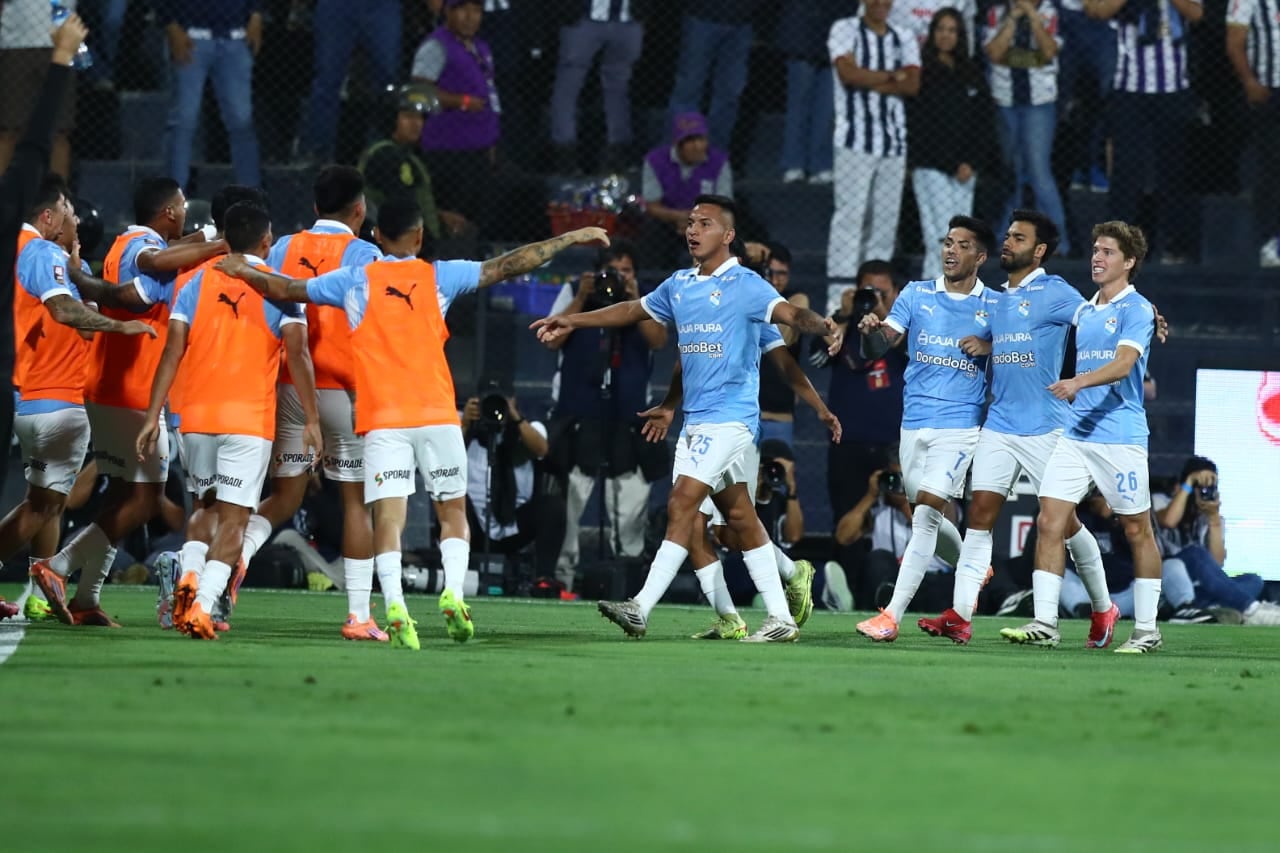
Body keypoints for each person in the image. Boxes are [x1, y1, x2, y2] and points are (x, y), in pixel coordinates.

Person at [219, 198, 611, 647]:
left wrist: (245, 271)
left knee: (388, 516)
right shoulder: (438, 275)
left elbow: (287, 289)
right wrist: (571, 238)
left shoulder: (355, 278)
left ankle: (394, 606)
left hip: (383, 419)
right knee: (453, 511)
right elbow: (508, 264)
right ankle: (451, 593)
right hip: (438, 415)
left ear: (377, 237)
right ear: (420, 237)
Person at [533, 195, 841, 642]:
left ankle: (640, 607)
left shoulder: (749, 287)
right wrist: (573, 321)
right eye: (691, 222)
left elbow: (791, 319)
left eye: (706, 223)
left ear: (728, 235)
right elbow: (636, 314)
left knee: (682, 505)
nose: (693, 230)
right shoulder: (679, 286)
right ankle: (775, 617)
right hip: (695, 423)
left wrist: (824, 328)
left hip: (732, 422)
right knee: (732, 519)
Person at [916, 210, 1115, 646]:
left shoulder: (1056, 291)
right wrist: (987, 344)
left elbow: (1098, 321)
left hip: (1046, 428)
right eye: (1007, 235)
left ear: (1038, 250)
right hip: (1000, 425)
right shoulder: (997, 298)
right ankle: (960, 615)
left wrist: (1141, 317)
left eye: (1018, 238)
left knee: (1064, 525)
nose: (1007, 243)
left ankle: (1104, 607)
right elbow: (1006, 336)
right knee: (980, 516)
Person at [34, 178, 225, 626]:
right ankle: (57, 566)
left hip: (104, 387)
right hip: (134, 394)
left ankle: (86, 597)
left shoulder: (120, 242)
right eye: (180, 204)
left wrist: (208, 238)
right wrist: (214, 243)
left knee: (121, 493)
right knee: (146, 500)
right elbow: (154, 262)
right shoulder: (144, 246)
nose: (183, 211)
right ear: (169, 212)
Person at [132, 202, 317, 640]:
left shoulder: (194, 283)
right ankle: (203, 603)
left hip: (195, 419)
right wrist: (312, 418)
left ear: (225, 239)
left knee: (204, 512)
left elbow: (172, 351)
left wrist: (152, 415)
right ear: (267, 242)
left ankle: (189, 580)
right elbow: (298, 353)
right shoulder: (277, 288)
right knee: (234, 521)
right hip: (248, 421)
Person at [638, 319, 842, 638]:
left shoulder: (749, 301)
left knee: (731, 533)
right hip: (696, 427)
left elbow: (789, 346)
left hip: (736, 429)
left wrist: (823, 329)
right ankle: (730, 617)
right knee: (690, 523)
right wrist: (670, 406)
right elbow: (682, 362)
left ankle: (791, 573)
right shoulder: (692, 296)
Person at [244, 165, 380, 640]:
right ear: (359, 210)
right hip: (343, 389)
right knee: (356, 502)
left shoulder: (282, 247)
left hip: (289, 387)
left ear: (316, 207)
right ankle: (359, 616)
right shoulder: (366, 254)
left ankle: (232, 566)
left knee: (283, 497)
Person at [14, 179, 158, 624]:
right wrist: (123, 327)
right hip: (54, 394)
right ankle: (50, 576)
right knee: (43, 504)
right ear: (48, 218)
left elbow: (75, 320)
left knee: (47, 502)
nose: (74, 217)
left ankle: (43, 592)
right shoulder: (40, 252)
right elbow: (68, 313)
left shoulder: (34, 253)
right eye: (68, 209)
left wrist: (76, 273)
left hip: (39, 393)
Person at [1015, 220, 1163, 653]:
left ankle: (1148, 630)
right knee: (1048, 520)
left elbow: (1122, 365)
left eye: (1108, 252)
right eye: (1095, 250)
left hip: (1120, 436)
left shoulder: (1137, 309)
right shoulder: (1086, 309)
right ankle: (1045, 622)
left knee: (1137, 530)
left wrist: (1078, 382)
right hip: (1076, 434)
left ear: (1129, 262)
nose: (1097, 258)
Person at [854, 215, 999, 642]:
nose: (951, 250)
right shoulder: (916, 295)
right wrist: (870, 333)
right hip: (913, 425)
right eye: (947, 242)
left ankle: (891, 616)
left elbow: (1025, 346)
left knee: (925, 512)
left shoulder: (995, 305)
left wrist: (991, 344)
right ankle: (973, 564)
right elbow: (884, 344)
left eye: (962, 244)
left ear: (980, 256)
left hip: (960, 426)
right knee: (925, 511)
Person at [0, 15, 87, 519]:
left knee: (46, 501)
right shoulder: (23, 229)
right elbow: (34, 144)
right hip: (20, 384)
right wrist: (61, 59)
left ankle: (38, 588)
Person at [543, 239, 666, 594]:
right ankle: (560, 583)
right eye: (611, 271)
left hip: (628, 421)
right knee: (568, 508)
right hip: (577, 418)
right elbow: (551, 339)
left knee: (629, 514)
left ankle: (627, 588)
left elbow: (658, 340)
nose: (617, 277)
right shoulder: (573, 292)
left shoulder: (647, 300)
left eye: (626, 271)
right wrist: (581, 297)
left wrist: (635, 296)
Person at [1087, 0, 1202, 264]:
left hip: (1173, 87)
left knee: (1172, 169)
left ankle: (1175, 245)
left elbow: (1199, 14)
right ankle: (1118, 246)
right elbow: (1095, 10)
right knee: (1126, 169)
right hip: (1129, 87)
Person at [826, 0, 921, 316]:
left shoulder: (904, 35)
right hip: (855, 139)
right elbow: (847, 74)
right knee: (850, 217)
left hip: (894, 141)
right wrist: (893, 76)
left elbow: (913, 84)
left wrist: (869, 75)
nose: (881, 3)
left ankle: (876, 300)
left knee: (884, 223)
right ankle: (837, 299)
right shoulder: (844, 29)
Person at [909, 8, 992, 281]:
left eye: (952, 30)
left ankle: (953, 293)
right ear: (932, 34)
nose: (946, 35)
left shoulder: (971, 73)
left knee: (961, 238)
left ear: (960, 35)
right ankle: (931, 294)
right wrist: (951, 163)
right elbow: (921, 126)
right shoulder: (921, 72)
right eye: (941, 29)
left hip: (965, 169)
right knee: (939, 236)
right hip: (931, 165)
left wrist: (970, 162)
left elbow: (982, 122)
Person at [983, 0, 1070, 257]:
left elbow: (1049, 50)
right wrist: (1012, 19)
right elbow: (995, 52)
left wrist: (1031, 15)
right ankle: (1008, 238)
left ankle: (1058, 240)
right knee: (1013, 172)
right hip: (1005, 101)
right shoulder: (995, 13)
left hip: (1039, 103)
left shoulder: (1050, 13)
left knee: (1038, 171)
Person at [1153, 456, 1280, 625]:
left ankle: (1208, 610)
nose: (1206, 491)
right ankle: (1251, 609)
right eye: (1201, 486)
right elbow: (1168, 521)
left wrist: (1213, 519)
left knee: (1253, 581)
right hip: (1167, 580)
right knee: (1194, 553)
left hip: (1200, 588)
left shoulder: (1212, 518)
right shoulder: (1161, 501)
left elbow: (1216, 563)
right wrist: (1190, 482)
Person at [411, 0, 499, 230]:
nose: (470, 17)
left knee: (474, 224)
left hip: (478, 151)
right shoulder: (436, 46)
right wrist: (462, 101)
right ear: (448, 12)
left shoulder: (481, 47)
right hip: (448, 152)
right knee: (452, 224)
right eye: (463, 9)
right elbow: (419, 91)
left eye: (476, 10)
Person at [160, 0, 263, 190]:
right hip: (190, 36)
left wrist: (256, 14)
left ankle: (252, 199)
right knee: (184, 120)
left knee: (242, 121)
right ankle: (172, 199)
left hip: (236, 37)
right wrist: (171, 25)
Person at [357, 86, 472, 251]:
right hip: (397, 253)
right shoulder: (387, 156)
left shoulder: (399, 153)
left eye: (420, 117)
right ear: (390, 118)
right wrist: (427, 250)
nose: (417, 123)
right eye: (408, 116)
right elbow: (402, 211)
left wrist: (438, 215)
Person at [301, 0, 403, 163]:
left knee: (388, 80)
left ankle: (385, 152)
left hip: (382, 6)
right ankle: (317, 154)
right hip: (338, 5)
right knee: (327, 80)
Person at [548, 0, 644, 173]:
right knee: (569, 87)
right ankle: (565, 156)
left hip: (627, 19)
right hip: (584, 18)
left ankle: (616, 153)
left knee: (618, 88)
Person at [460, 390, 550, 561]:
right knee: (453, 500)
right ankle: (455, 571)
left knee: (552, 507)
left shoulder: (526, 427)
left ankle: (544, 579)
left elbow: (541, 449)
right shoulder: (464, 426)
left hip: (514, 526)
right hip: (472, 527)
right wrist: (465, 424)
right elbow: (444, 458)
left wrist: (514, 415)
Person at [638, 111, 732, 270]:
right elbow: (652, 205)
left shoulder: (719, 161)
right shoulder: (654, 160)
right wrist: (680, 218)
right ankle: (653, 282)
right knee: (651, 230)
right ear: (677, 143)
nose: (697, 146)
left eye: (701, 139)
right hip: (669, 222)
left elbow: (724, 205)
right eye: (690, 140)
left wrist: (695, 221)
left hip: (707, 221)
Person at [1226, 0, 1280, 268]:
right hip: (1269, 91)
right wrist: (1249, 81)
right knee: (1271, 168)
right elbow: (1235, 40)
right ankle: (1270, 240)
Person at [0, 0, 81, 178]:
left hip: (63, 42)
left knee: (60, 131)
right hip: (14, 45)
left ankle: (58, 198)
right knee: (9, 129)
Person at [776, 0, 853, 183]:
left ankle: (821, 164)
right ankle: (794, 163)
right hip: (802, 34)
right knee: (799, 105)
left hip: (836, 38)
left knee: (827, 109)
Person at [755, 242, 810, 447]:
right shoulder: (743, 296)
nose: (776, 280)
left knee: (778, 477)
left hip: (778, 412)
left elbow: (781, 337)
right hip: (741, 413)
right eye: (770, 273)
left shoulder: (796, 300)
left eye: (782, 274)